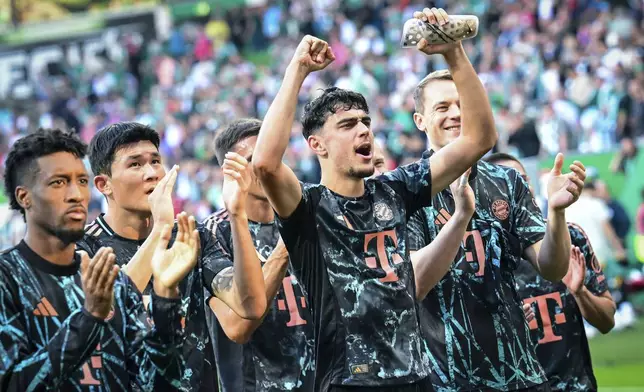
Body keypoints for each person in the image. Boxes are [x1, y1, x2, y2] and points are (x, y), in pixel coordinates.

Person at [252, 7, 498, 391]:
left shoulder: (395, 190)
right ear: (317, 145)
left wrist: (454, 53)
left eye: (365, 121)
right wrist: (296, 71)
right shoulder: (308, 209)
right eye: (348, 125)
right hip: (348, 382)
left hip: (416, 379)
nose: (363, 130)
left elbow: (479, 139)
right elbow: (265, 165)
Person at [408, 56, 586, 392]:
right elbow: (415, 282)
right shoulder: (406, 191)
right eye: (442, 106)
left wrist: (557, 213)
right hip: (448, 380)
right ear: (420, 120)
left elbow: (552, 267)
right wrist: (460, 218)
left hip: (521, 373)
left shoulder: (507, 182)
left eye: (462, 103)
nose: (456, 114)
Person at [0, 128, 199, 391]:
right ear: (24, 197)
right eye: (58, 182)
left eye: (81, 181)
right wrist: (89, 317)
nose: (76, 195)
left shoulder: (114, 281)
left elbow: (159, 382)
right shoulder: (8, 277)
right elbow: (11, 384)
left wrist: (165, 298)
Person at [77, 121, 268, 391]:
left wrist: (236, 214)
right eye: (135, 164)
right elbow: (108, 318)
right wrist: (162, 229)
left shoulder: (192, 237)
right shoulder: (85, 248)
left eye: (155, 161)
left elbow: (251, 305)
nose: (152, 173)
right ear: (103, 184)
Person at [486, 152, 615, 392]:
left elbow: (607, 321)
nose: (517, 188)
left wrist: (580, 292)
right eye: (505, 182)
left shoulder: (571, 238)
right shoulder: (475, 256)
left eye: (522, 179)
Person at [203, 118, 315, 391]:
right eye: (253, 159)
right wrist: (289, 239)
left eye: (272, 155)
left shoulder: (310, 213)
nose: (266, 166)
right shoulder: (212, 235)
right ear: (229, 171)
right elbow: (238, 327)